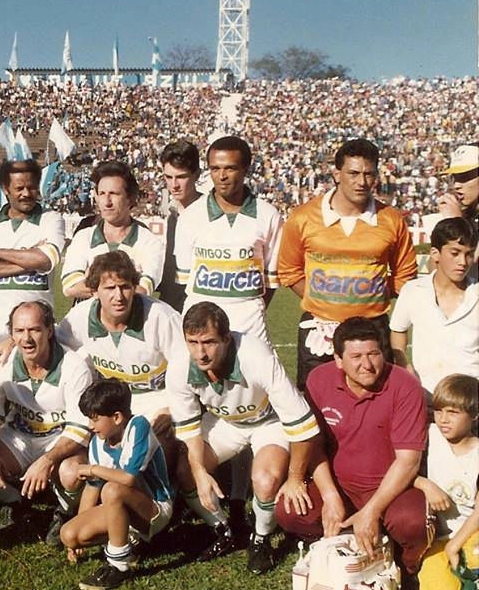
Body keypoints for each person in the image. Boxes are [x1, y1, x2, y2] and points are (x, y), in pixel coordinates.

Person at [275, 317, 430, 582]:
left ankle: (407, 568)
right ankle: (343, 543)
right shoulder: (319, 380)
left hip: (391, 488)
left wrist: (372, 511)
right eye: (356, 356)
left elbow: (408, 461)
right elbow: (314, 445)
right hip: (341, 486)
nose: (367, 365)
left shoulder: (405, 385)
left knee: (412, 523)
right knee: (289, 511)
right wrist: (330, 495)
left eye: (374, 354)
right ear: (337, 359)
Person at [169, 302, 320, 573]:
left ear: (227, 338)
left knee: (266, 479)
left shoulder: (255, 355)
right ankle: (225, 530)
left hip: (267, 422)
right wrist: (200, 473)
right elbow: (189, 430)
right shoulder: (181, 363)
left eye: (209, 342)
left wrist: (296, 477)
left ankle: (259, 539)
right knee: (186, 471)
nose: (200, 353)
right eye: (192, 342)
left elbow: (300, 421)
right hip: (226, 422)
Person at [277, 138, 418, 389]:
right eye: (353, 173)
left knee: (375, 401)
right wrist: (322, 300)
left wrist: (368, 299)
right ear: (336, 174)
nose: (361, 182)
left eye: (368, 174)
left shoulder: (392, 219)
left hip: (373, 327)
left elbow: (405, 274)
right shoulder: (302, 217)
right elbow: (289, 270)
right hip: (318, 327)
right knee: (317, 403)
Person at [0, 301, 92, 539]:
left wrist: (46, 461)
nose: (27, 338)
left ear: (49, 330)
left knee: (71, 473)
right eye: (19, 331)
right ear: (12, 334)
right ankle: (16, 498)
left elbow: (80, 430)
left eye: (34, 329)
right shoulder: (2, 364)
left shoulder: (75, 367)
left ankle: (64, 511)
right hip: (21, 435)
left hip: (60, 439)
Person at [59, 379, 175, 590]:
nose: (91, 426)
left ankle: (119, 564)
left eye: (95, 419)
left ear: (117, 417)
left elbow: (128, 478)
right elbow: (92, 488)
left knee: (112, 489)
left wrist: (92, 468)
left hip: (155, 508)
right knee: (69, 534)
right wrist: (79, 527)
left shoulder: (138, 427)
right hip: (122, 507)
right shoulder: (97, 441)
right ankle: (131, 540)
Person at [56, 250, 186, 432]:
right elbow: (52, 345)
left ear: (134, 287)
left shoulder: (161, 317)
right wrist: (12, 342)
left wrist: (172, 409)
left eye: (125, 287)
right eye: (110, 288)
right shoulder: (81, 315)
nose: (119, 296)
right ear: (94, 291)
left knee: (159, 446)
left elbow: (187, 366)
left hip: (158, 401)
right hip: (110, 404)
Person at [174, 136, 282, 344]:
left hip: (250, 324)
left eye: (230, 168)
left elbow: (270, 280)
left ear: (245, 169)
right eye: (215, 169)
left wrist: (249, 306)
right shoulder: (190, 216)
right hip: (199, 324)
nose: (221, 176)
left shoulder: (268, 215)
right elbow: (186, 279)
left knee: (253, 377)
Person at [0, 159, 66, 350]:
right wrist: (29, 259)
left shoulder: (51, 219)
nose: (26, 194)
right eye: (19, 188)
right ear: (5, 188)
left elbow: (47, 259)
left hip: (36, 324)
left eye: (32, 187)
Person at [390, 217, 478, 397]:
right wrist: (404, 365)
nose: (463, 262)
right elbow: (398, 329)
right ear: (435, 253)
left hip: (470, 398)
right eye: (455, 253)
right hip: (425, 392)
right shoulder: (413, 291)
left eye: (469, 254)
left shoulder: (476, 293)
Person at [414, 374, 479, 590]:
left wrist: (456, 545)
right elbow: (401, 469)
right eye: (439, 410)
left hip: (472, 534)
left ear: (474, 416)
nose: (443, 419)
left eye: (453, 413)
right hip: (440, 539)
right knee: (439, 589)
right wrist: (424, 484)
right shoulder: (430, 437)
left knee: (475, 557)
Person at [60, 161, 164, 300]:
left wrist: (92, 282)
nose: (107, 202)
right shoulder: (83, 238)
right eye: (102, 193)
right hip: (86, 321)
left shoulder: (149, 242)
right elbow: (70, 287)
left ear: (130, 198)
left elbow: (143, 289)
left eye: (114, 193)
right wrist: (126, 285)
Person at [157, 139, 202, 313]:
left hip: (197, 306)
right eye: (169, 177)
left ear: (197, 175)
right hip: (169, 304)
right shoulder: (170, 213)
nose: (174, 185)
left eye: (181, 177)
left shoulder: (208, 214)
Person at [435, 142, 479, 241]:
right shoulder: (469, 216)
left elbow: (468, 255)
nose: (456, 185)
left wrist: (456, 224)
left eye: (465, 176)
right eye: (454, 177)